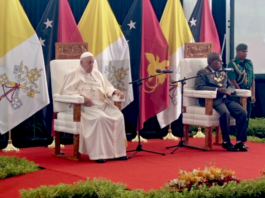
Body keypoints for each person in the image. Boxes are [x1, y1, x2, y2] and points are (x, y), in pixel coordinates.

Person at [59, 52, 127, 163]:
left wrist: (115, 91)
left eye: (92, 62)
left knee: (118, 116)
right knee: (100, 118)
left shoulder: (97, 73)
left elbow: (107, 87)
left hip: (102, 104)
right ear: (81, 63)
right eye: (89, 63)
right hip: (84, 107)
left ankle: (117, 153)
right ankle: (99, 154)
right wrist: (82, 98)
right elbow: (66, 92)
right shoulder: (72, 73)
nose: (91, 65)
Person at [195, 52, 248, 151]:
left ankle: (240, 141)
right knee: (225, 113)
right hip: (213, 100)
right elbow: (199, 87)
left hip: (226, 99)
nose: (222, 63)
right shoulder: (202, 73)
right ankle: (226, 141)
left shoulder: (223, 72)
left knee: (242, 112)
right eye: (219, 61)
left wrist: (230, 90)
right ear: (211, 62)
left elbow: (231, 85)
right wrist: (217, 90)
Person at [227, 43, 255, 121]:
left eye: (246, 52)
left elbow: (252, 79)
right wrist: (241, 93)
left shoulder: (249, 63)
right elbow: (232, 81)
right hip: (238, 94)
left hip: (248, 92)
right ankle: (236, 132)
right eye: (243, 51)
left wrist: (253, 94)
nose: (245, 53)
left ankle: (244, 132)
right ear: (237, 52)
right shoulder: (232, 64)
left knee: (247, 115)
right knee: (240, 115)